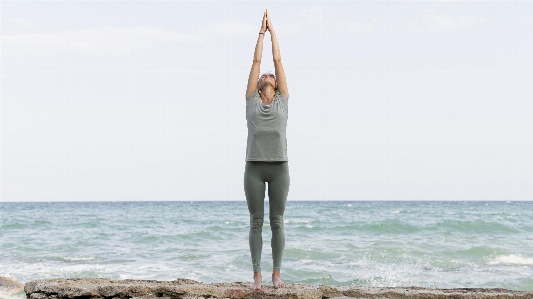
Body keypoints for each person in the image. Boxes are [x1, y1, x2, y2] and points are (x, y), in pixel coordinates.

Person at [244, 9, 290, 290]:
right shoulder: (250, 101)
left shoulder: (283, 101)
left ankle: (276, 276)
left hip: (279, 167)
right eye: (264, 77)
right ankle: (257, 278)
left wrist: (273, 31)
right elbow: (258, 60)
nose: (268, 75)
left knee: (277, 221)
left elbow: (276, 59)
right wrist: (260, 33)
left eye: (272, 76)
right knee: (256, 221)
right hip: (253, 166)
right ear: (260, 85)